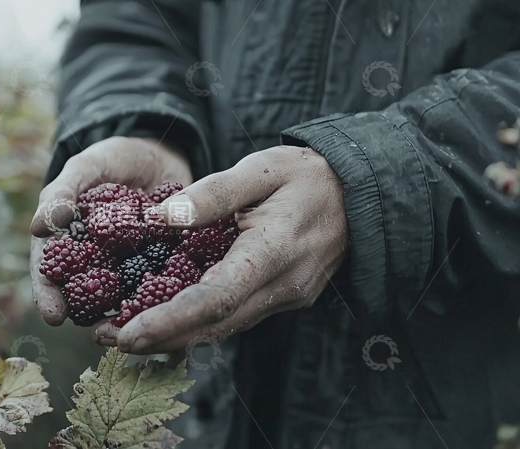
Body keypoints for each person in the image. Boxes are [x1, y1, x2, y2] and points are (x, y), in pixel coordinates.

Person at [29, 1, 520, 448]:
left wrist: (374, 178)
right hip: (213, 401)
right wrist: (145, 126)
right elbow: (137, 17)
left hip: (449, 394)